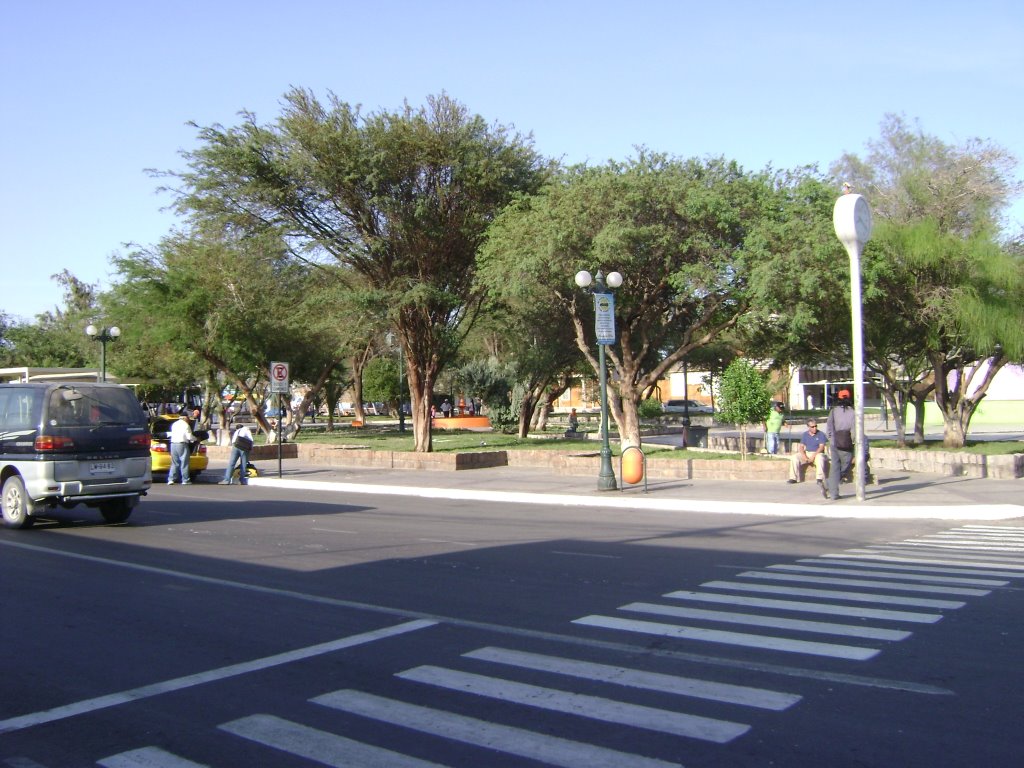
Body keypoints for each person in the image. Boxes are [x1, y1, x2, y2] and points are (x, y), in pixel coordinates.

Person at [825, 388, 856, 500]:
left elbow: (829, 427)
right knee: (846, 464)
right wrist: (854, 442)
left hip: (834, 442)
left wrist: (831, 440)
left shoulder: (833, 411)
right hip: (845, 442)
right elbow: (854, 430)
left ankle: (833, 492)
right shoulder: (853, 412)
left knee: (835, 466)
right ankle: (829, 484)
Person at [788, 418, 829, 495]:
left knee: (820, 458)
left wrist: (813, 456)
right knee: (794, 457)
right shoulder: (805, 435)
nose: (815, 428)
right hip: (807, 453)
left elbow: (821, 447)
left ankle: (819, 478)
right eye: (812, 427)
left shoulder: (821, 434)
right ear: (808, 427)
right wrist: (805, 457)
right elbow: (801, 447)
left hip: (817, 453)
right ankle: (793, 478)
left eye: (816, 426)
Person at [167, 414, 196, 485]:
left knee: (175, 463)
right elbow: (189, 437)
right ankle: (185, 480)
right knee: (184, 462)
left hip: (173, 444)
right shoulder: (186, 425)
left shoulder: (174, 424)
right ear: (185, 418)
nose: (189, 420)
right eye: (188, 418)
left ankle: (171, 479)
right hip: (182, 444)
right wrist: (195, 439)